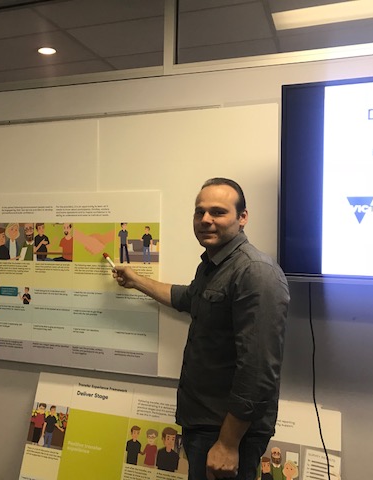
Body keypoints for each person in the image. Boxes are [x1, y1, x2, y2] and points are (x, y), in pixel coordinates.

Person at [112, 178, 289, 480]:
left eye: (218, 212)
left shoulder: (256, 273)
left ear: (242, 217)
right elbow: (187, 298)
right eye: (200, 212)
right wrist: (135, 280)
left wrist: (228, 443)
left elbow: (258, 371)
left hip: (228, 433)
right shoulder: (213, 265)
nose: (206, 219)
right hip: (203, 422)